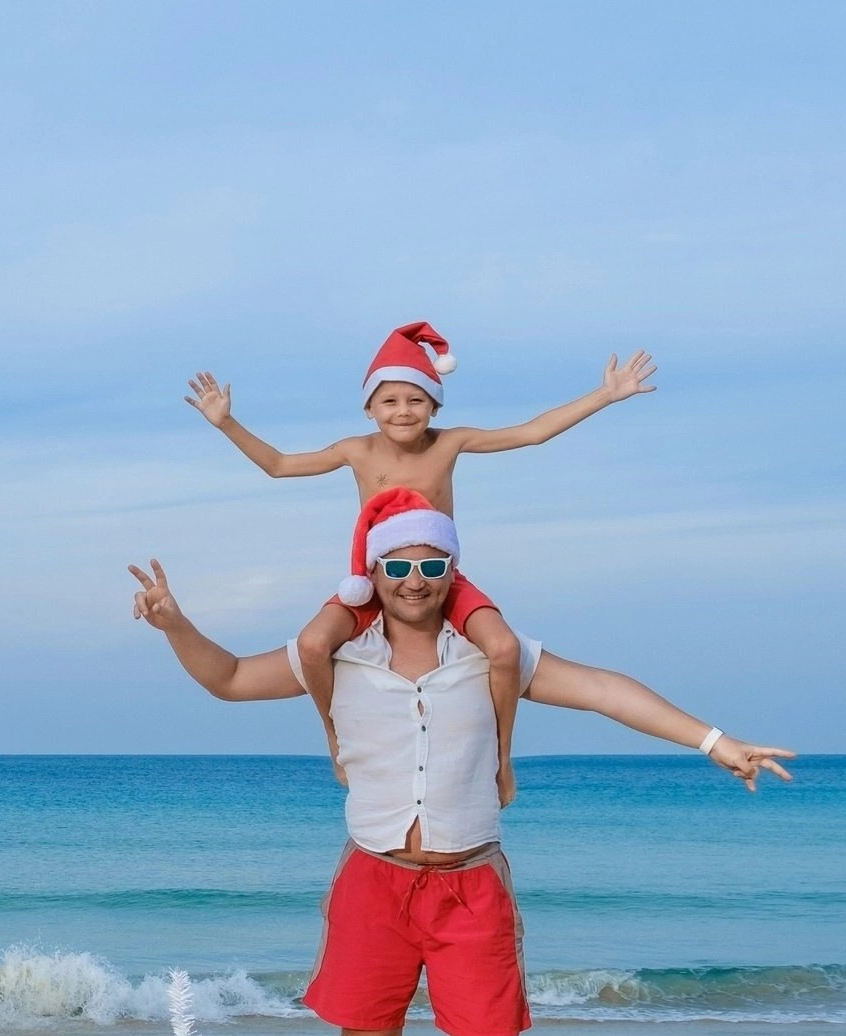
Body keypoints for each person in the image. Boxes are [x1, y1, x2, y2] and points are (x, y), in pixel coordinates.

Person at [125, 528, 789, 1036]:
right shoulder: (338, 657)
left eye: (430, 564)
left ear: (452, 570)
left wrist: (715, 742)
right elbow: (229, 678)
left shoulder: (493, 655)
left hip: (471, 883)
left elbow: (605, 690)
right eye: (398, 565)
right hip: (374, 880)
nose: (414, 578)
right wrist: (176, 624)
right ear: (372, 572)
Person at [186, 322, 655, 803]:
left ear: (434, 404)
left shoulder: (448, 443)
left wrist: (605, 394)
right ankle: (336, 742)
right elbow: (280, 465)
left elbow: (531, 434)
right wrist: (226, 423)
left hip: (439, 581)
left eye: (415, 400)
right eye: (389, 401)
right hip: (374, 581)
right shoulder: (356, 450)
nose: (403, 411)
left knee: (503, 648)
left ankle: (501, 758)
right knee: (311, 644)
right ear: (369, 408)